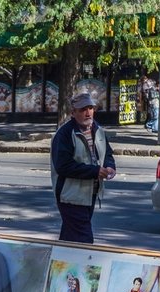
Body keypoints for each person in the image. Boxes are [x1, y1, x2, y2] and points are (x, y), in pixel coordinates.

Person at [50, 93, 116, 244]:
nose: (88, 113)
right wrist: (94, 171)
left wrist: (110, 167)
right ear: (73, 113)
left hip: (90, 192)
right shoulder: (64, 134)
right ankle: (86, 265)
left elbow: (107, 153)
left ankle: (60, 262)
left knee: (71, 237)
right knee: (83, 239)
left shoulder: (98, 129)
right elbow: (63, 166)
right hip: (70, 195)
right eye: (82, 109)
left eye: (90, 108)